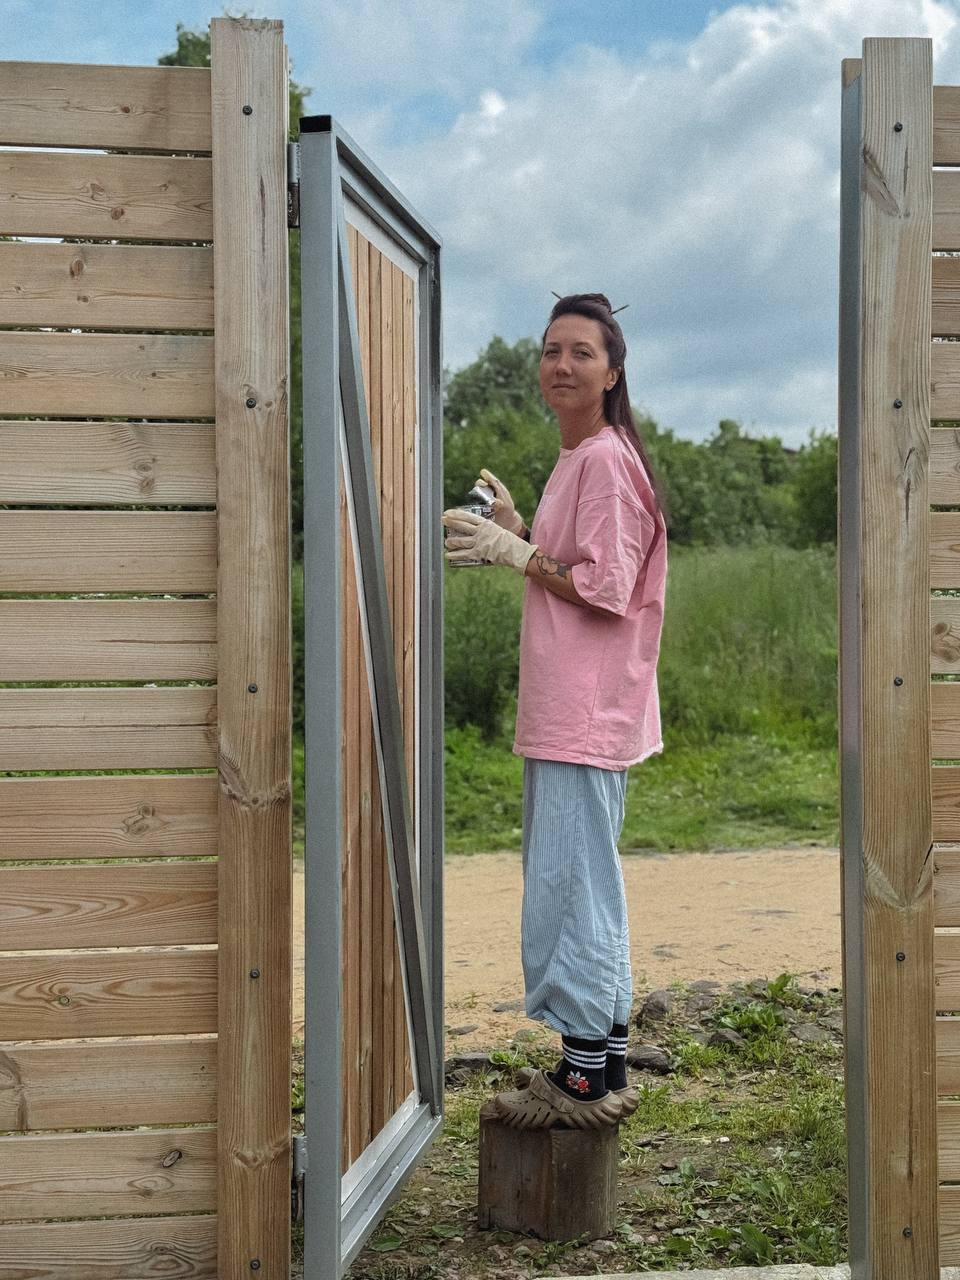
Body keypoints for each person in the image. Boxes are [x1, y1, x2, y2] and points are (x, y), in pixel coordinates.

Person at [441, 292, 669, 1130]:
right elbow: (572, 559)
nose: (561, 365)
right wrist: (515, 526)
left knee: (572, 888)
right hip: (579, 706)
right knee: (586, 884)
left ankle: (579, 1082)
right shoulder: (582, 457)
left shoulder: (606, 461)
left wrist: (514, 550)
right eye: (550, 351)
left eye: (580, 352)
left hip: (583, 708)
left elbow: (602, 587)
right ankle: (599, 1061)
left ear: (613, 372)